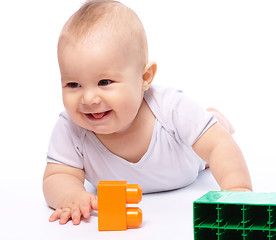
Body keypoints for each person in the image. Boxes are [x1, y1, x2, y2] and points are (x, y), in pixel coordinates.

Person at [43, 0, 252, 225]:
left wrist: (236, 188)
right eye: (73, 84)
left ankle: (215, 119)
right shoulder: (71, 128)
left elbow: (218, 146)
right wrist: (70, 196)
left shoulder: (171, 109)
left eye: (104, 82)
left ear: (145, 78)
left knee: (211, 137)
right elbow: (57, 175)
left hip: (187, 161)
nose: (88, 99)